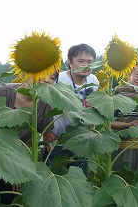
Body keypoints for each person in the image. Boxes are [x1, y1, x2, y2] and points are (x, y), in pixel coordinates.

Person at [0, 71, 58, 204]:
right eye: (43, 73)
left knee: (10, 199)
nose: (46, 80)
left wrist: (19, 168)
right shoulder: (3, 92)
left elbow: (37, 136)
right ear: (29, 71)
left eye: (52, 77)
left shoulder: (45, 102)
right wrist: (13, 169)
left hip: (18, 158)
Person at [43, 44, 99, 176]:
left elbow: (94, 106)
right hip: (55, 140)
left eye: (89, 62)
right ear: (70, 62)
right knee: (52, 177)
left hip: (81, 140)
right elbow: (43, 104)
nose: (86, 65)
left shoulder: (93, 80)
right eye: (81, 61)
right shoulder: (58, 79)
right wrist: (45, 132)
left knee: (79, 180)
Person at [112, 61, 138, 171]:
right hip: (118, 145)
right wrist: (128, 125)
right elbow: (108, 123)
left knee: (137, 177)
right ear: (129, 74)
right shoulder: (117, 92)